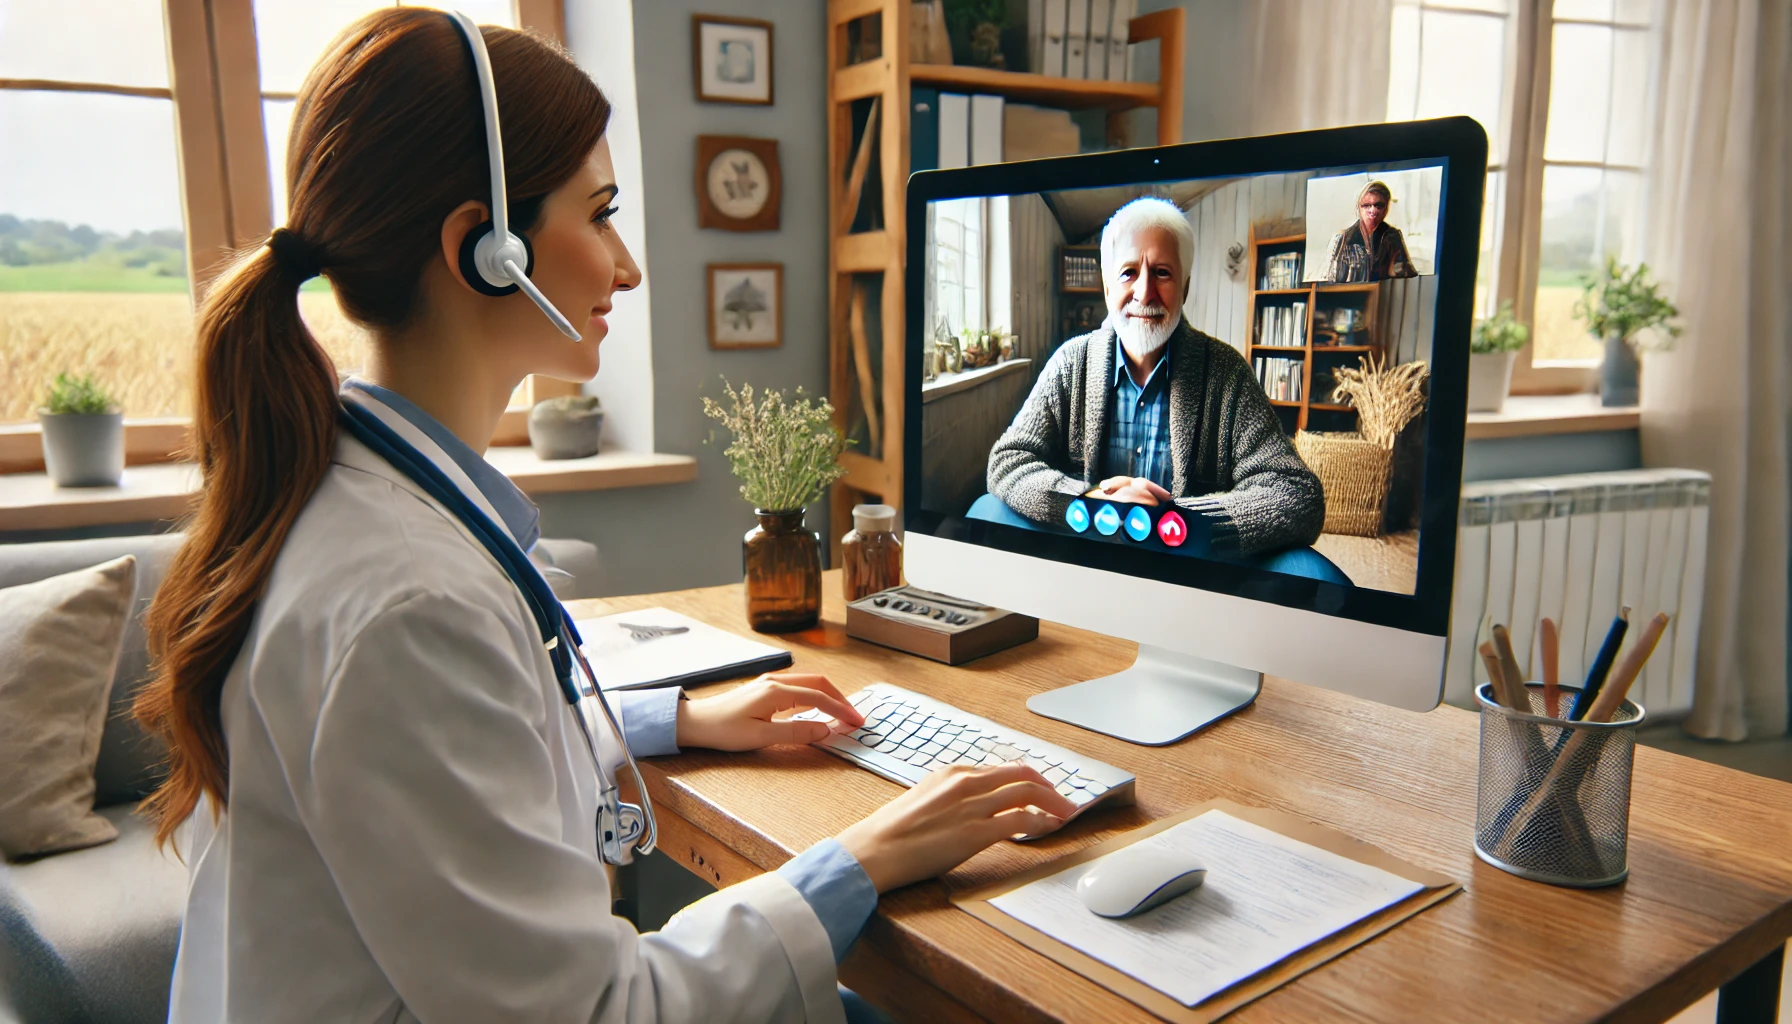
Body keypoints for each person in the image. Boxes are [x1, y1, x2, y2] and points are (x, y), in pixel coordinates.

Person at [135, 11, 1072, 1023]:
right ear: (484, 248)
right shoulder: (410, 603)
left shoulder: (353, 496)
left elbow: (463, 753)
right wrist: (862, 857)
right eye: (600, 215)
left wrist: (671, 719)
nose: (627, 266)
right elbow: (594, 1011)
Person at [981, 197, 1327, 561]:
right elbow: (1008, 460)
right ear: (1107, 287)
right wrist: (1087, 502)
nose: (1144, 292)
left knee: (1309, 568)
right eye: (1128, 272)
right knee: (985, 512)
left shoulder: (1226, 373)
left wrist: (1175, 519)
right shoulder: (1071, 362)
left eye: (1162, 273)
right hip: (1084, 560)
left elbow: (1298, 493)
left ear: (1185, 288)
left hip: (1184, 569)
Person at [1322, 180, 1418, 283]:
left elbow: (1404, 276)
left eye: (1378, 206)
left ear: (1386, 208)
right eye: (1366, 205)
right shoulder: (1342, 240)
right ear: (1359, 207)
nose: (1373, 211)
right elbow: (1330, 280)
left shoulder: (1392, 236)